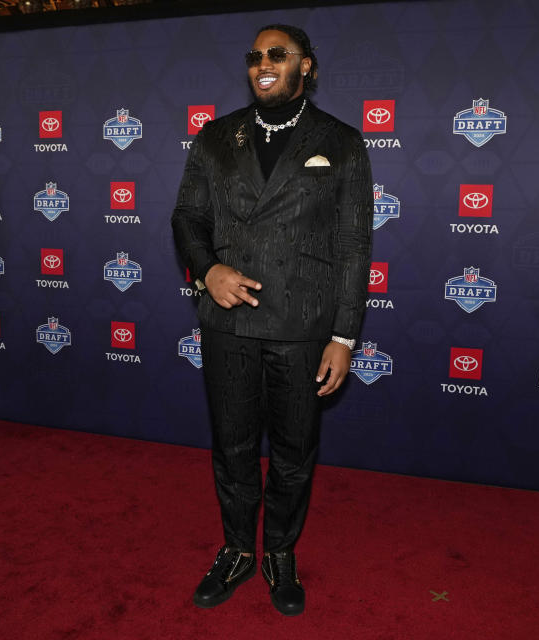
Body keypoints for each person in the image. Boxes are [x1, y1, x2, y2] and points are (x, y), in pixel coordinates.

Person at [171, 24, 373, 616]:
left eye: (277, 55)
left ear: (304, 66)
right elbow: (187, 217)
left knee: (293, 451)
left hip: (302, 328)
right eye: (256, 56)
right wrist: (207, 270)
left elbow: (355, 245)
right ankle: (236, 549)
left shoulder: (340, 142)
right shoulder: (215, 137)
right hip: (228, 325)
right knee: (232, 448)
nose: (264, 63)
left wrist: (343, 336)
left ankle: (279, 553)